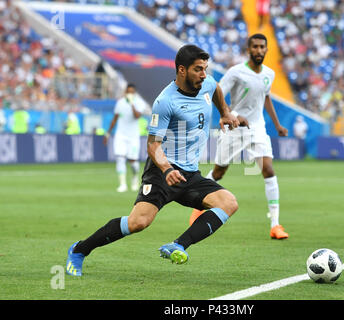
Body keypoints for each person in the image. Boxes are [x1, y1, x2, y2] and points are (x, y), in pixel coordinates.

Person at [65, 44, 240, 276]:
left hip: (189, 174)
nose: (204, 74)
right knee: (138, 222)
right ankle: (79, 250)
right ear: (181, 70)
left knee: (228, 202)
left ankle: (178, 245)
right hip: (162, 171)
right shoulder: (165, 101)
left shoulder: (206, 83)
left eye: (205, 68)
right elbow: (152, 144)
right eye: (198, 69)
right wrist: (167, 169)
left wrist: (225, 112)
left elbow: (216, 88)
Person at [189, 33, 290, 240]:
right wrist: (232, 115)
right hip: (234, 128)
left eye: (262, 47)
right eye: (255, 47)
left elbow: (266, 97)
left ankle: (275, 224)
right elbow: (218, 95)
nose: (259, 50)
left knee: (268, 170)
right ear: (249, 49)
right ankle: (198, 206)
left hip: (257, 128)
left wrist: (278, 124)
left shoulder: (269, 74)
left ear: (267, 49)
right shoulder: (236, 72)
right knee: (218, 172)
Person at [103, 84, 146, 192]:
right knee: (120, 158)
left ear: (134, 93)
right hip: (120, 135)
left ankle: (135, 177)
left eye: (131, 92)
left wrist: (132, 104)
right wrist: (108, 134)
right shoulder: (120, 103)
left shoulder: (139, 103)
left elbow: (137, 116)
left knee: (133, 161)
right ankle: (122, 184)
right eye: (128, 92)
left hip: (133, 136)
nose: (129, 94)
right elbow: (115, 118)